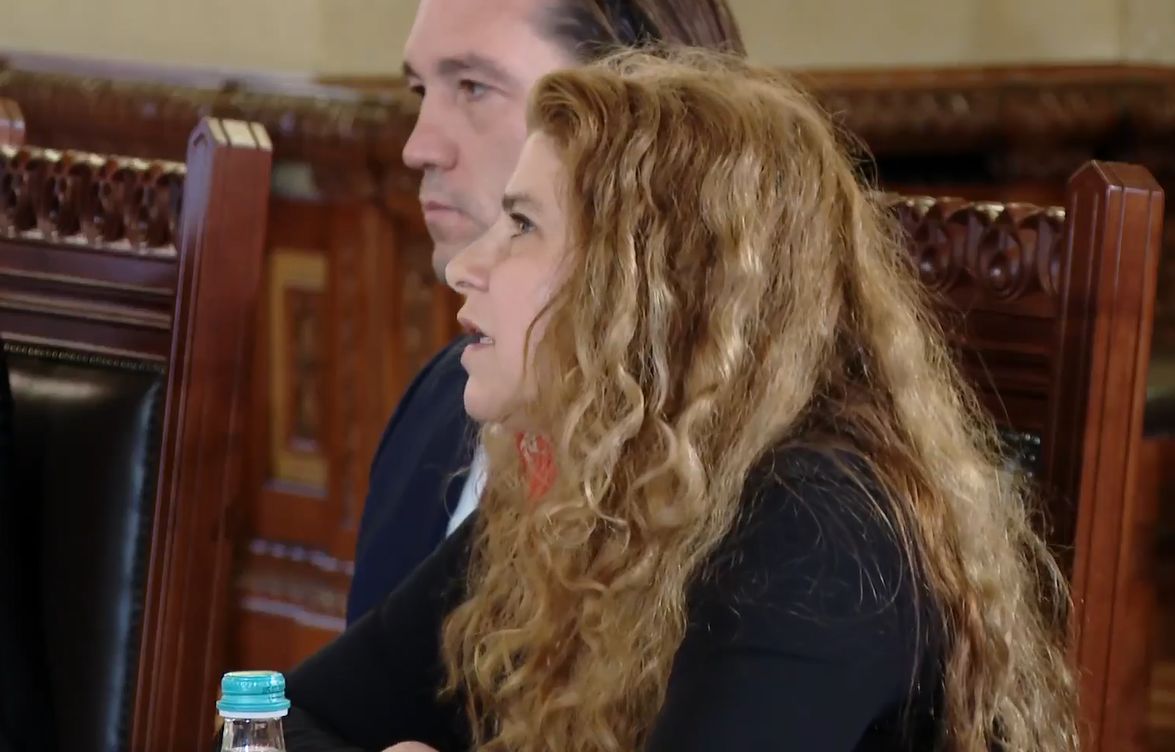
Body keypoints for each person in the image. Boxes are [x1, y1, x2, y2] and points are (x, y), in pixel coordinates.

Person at [283, 51, 1078, 751]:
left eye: (521, 225)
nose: (465, 267)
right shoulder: (589, 491)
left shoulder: (815, 528)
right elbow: (278, 721)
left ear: (653, 286)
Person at [346, 0, 745, 624]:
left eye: (473, 87)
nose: (417, 147)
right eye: (421, 91)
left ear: (637, 116)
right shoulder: (437, 405)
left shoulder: (760, 480)